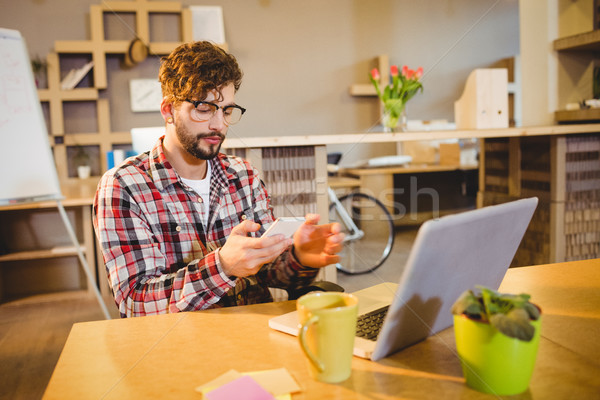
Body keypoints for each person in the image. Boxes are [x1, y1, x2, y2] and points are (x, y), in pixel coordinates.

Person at [93, 41, 344, 317]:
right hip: (183, 350)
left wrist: (299, 257)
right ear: (168, 110)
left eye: (225, 110)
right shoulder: (123, 186)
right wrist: (222, 267)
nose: (219, 125)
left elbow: (270, 271)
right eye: (204, 108)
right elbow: (135, 303)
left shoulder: (243, 175)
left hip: (256, 337)